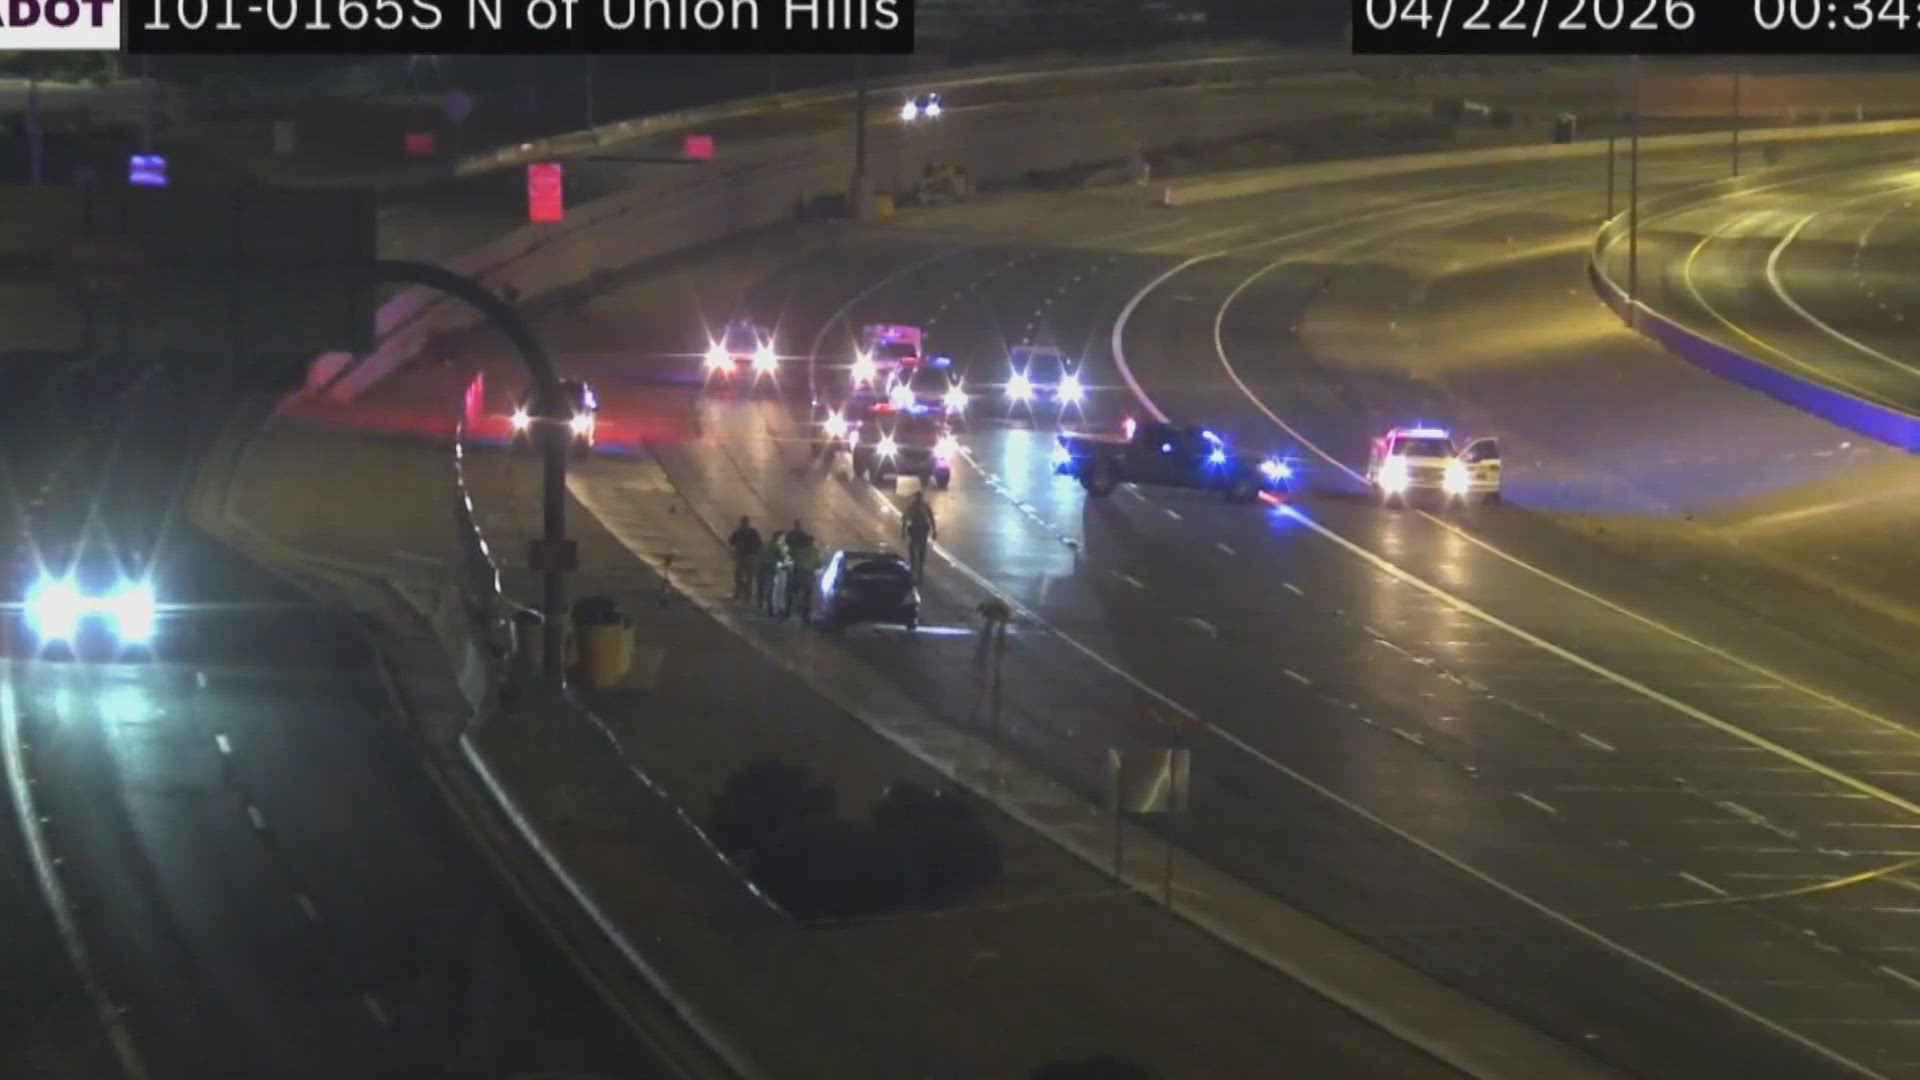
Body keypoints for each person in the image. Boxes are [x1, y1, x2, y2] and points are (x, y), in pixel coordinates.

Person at [785, 529, 821, 623]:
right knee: (807, 596)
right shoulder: (815, 551)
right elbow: (818, 565)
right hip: (809, 574)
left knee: (790, 592)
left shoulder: (798, 549)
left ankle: (787, 611)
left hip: (797, 573)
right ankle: (805, 615)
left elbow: (790, 556)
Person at [902, 491, 937, 582]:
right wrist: (903, 531)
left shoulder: (920, 506)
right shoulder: (915, 507)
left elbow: (931, 517)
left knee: (919, 550)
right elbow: (905, 518)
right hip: (916, 531)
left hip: (920, 531)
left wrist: (934, 530)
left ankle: (918, 568)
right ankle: (915, 567)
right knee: (915, 549)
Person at [728, 516, 762, 602]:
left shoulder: (739, 531)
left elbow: (731, 541)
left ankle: (739, 595)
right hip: (749, 556)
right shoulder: (752, 531)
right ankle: (746, 596)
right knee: (748, 577)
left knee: (740, 577)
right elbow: (759, 544)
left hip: (742, 555)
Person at [758, 530, 787, 617]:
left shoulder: (766, 544)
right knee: (772, 589)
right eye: (783, 538)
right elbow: (782, 558)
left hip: (762, 566)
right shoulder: (776, 546)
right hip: (771, 568)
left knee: (763, 587)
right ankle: (771, 609)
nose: (783, 539)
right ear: (779, 537)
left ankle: (761, 605)